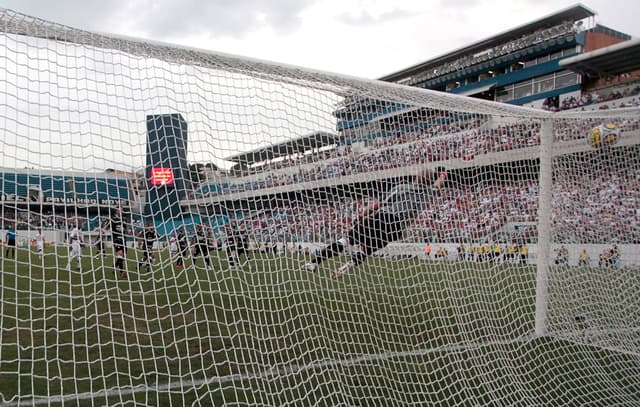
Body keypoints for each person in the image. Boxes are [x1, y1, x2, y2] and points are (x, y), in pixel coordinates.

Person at [304, 167, 447, 278]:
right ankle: (350, 264)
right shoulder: (428, 195)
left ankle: (314, 262)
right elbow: (438, 185)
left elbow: (379, 204)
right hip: (395, 229)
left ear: (416, 177)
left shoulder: (403, 188)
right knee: (366, 249)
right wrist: (442, 175)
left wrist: (362, 214)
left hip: (382, 218)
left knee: (346, 240)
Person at [103, 208, 127, 278]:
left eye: (122, 210)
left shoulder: (124, 219)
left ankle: (116, 267)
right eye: (121, 210)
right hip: (116, 239)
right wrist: (103, 229)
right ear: (117, 211)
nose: (122, 211)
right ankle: (120, 271)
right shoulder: (112, 219)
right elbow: (106, 226)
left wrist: (129, 231)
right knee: (120, 254)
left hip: (123, 239)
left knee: (122, 256)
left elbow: (125, 229)